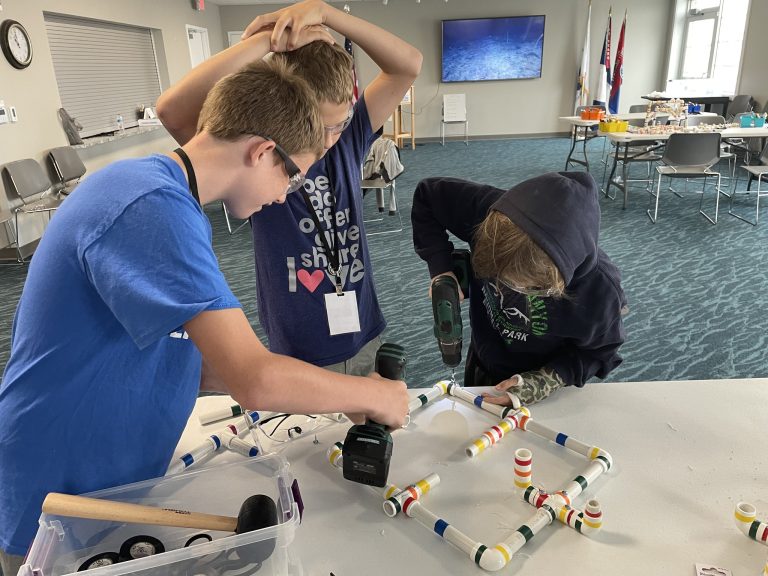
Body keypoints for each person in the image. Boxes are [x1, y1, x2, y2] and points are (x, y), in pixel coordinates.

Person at [0, 60, 409, 575]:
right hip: (55, 497)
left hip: (107, 484)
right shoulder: (151, 207)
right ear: (261, 151)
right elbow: (253, 379)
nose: (284, 195)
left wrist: (331, 394)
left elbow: (204, 366)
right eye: (292, 176)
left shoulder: (168, 199)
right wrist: (371, 394)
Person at [157, 0, 422, 377]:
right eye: (321, 127)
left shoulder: (348, 138)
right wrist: (268, 40)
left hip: (362, 325)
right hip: (299, 343)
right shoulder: (259, 162)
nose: (329, 139)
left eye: (339, 123)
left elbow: (408, 65)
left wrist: (326, 13)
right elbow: (171, 110)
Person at [411, 172, 626, 406]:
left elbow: (599, 353)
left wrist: (539, 383)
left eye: (524, 287)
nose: (505, 292)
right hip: (485, 349)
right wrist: (441, 268)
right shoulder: (492, 212)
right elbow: (428, 195)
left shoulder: (600, 292)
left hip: (537, 375)